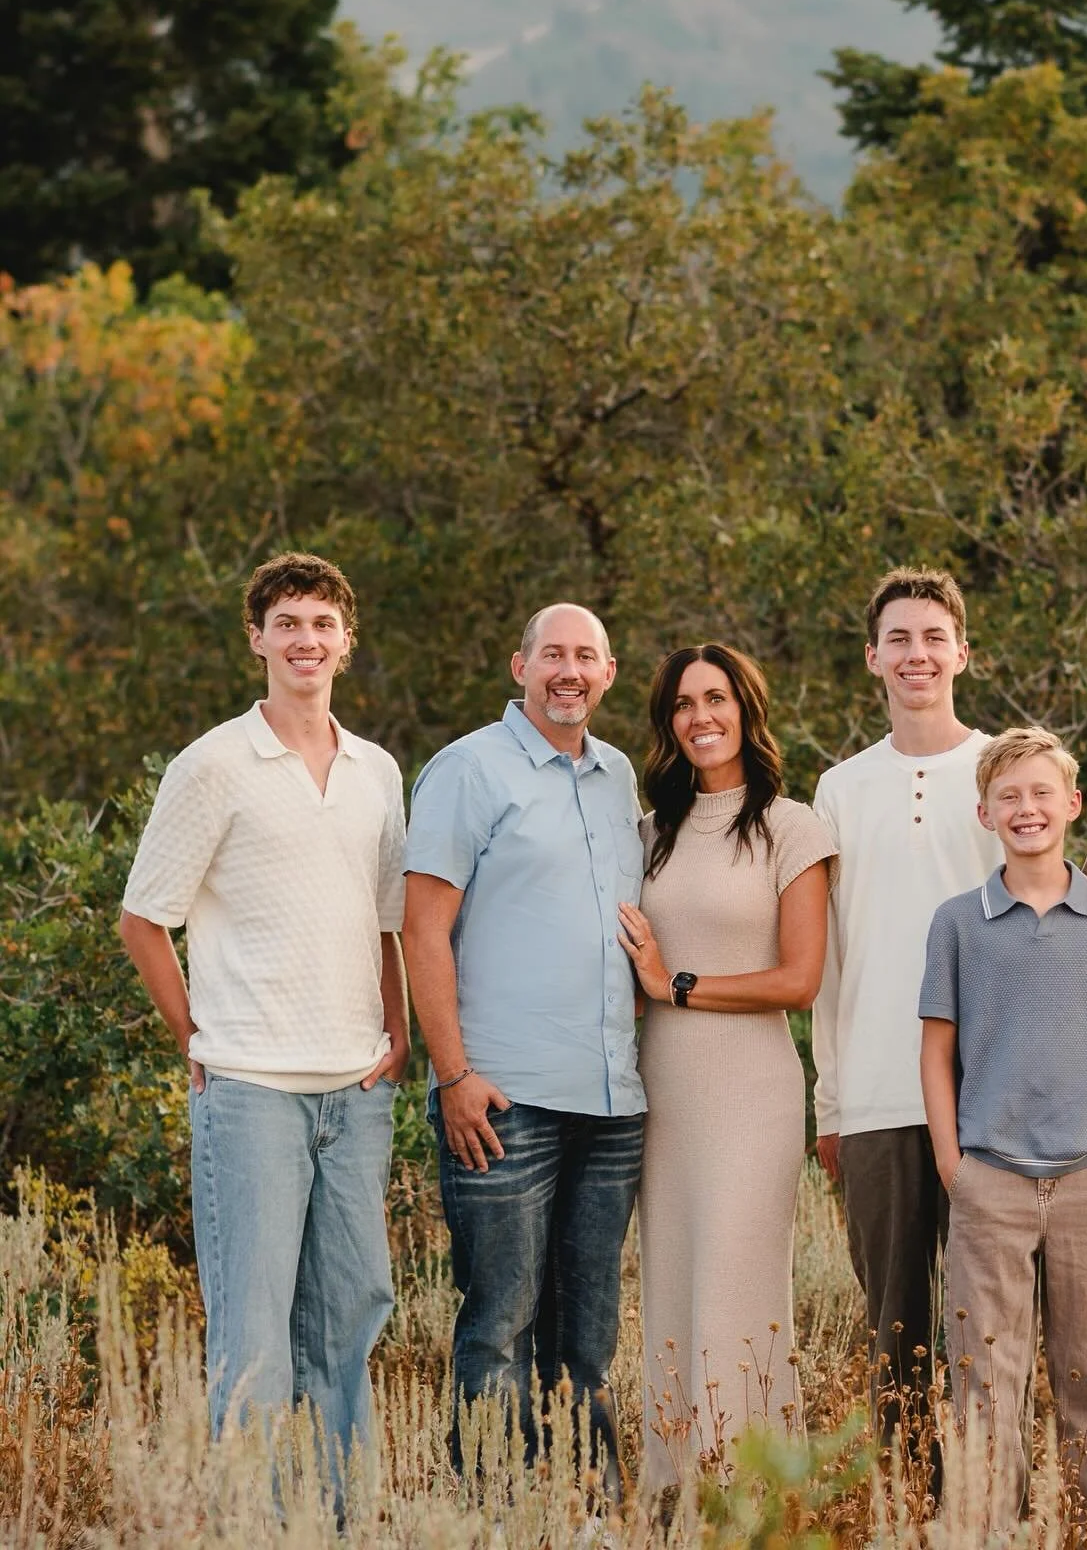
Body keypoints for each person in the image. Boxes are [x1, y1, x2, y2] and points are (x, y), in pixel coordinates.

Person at [118, 553, 408, 1489]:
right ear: (257, 639)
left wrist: (397, 1038)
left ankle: (333, 1520)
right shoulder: (212, 764)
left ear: (347, 642)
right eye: (288, 623)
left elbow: (388, 922)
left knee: (347, 1324)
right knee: (252, 1338)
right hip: (250, 1094)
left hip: (356, 1091)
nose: (306, 641)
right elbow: (142, 918)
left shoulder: (377, 772)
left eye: (322, 624)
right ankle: (252, 1521)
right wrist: (196, 1039)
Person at [400, 602, 644, 1499]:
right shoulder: (469, 770)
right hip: (502, 1100)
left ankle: (587, 1504)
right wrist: (454, 1076)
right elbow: (422, 932)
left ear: (608, 673)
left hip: (613, 1104)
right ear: (520, 666)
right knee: (499, 1321)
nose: (569, 671)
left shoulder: (619, 778)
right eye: (553, 655)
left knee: (588, 1328)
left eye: (586, 656)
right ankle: (494, 1508)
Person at [919, 726, 1087, 1530]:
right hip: (989, 1179)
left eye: (1041, 793)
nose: (1027, 809)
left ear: (1072, 804)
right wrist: (954, 1164)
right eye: (1008, 797)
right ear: (985, 814)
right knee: (985, 1380)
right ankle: (989, 1531)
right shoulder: (958, 922)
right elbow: (936, 1054)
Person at [615, 645, 835, 1488]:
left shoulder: (793, 826)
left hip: (752, 1091)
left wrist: (674, 983)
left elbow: (799, 980)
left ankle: (751, 1491)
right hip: (663, 1091)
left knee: (739, 1289)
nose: (700, 717)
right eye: (682, 703)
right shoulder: (651, 831)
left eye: (716, 699)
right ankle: (672, 1491)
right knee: (672, 1285)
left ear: (747, 708)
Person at [811, 566, 1001, 1449]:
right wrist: (832, 1105)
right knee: (896, 1331)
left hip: (993, 1101)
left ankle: (993, 1514)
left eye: (933, 637)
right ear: (872, 659)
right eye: (899, 639)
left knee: (989, 1333)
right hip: (879, 1098)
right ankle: (907, 1517)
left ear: (962, 651)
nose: (916, 654)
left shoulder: (1003, 773)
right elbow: (831, 960)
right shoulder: (840, 790)